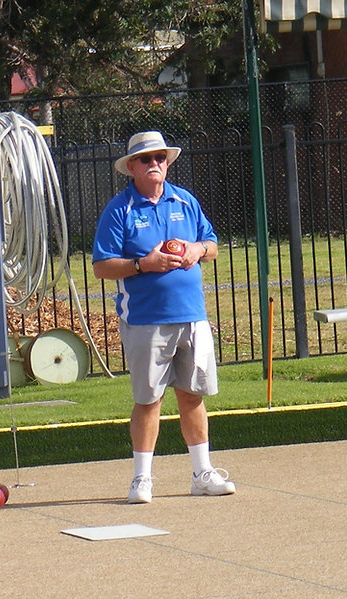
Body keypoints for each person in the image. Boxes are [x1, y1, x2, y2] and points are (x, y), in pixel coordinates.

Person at [92, 131, 236, 504]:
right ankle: (142, 479)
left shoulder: (185, 201)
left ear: (167, 162)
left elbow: (213, 245)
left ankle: (202, 473)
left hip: (192, 317)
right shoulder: (120, 210)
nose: (154, 163)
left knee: (193, 396)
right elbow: (102, 266)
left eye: (159, 157)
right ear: (132, 168)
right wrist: (144, 264)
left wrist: (196, 249)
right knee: (149, 399)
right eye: (145, 159)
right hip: (145, 319)